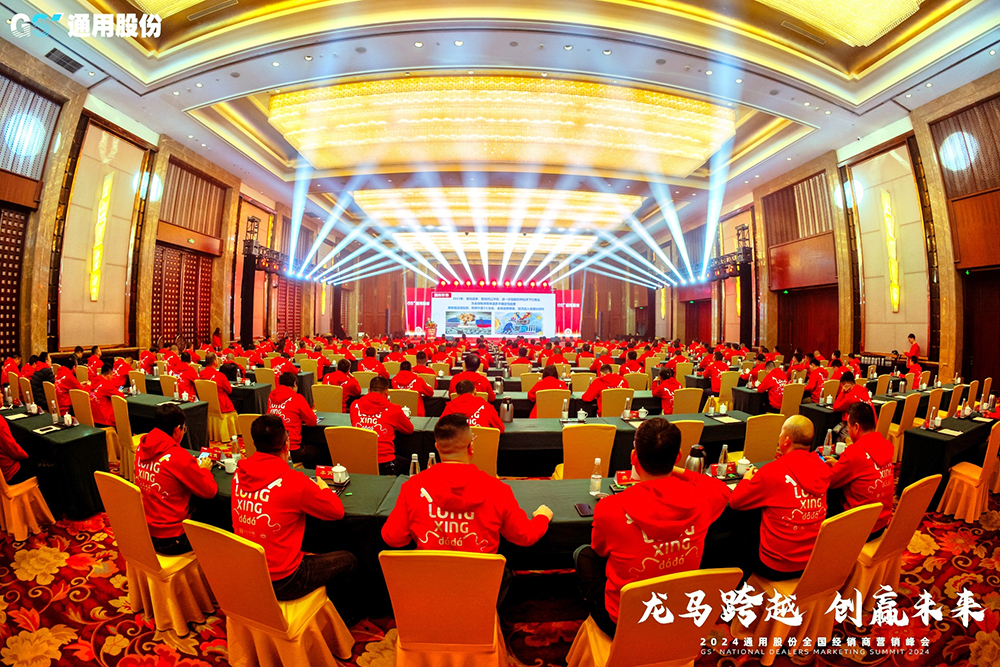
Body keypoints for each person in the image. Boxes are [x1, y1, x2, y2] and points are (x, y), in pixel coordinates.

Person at [575, 418, 730, 637]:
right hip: (680, 611)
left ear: (634, 457)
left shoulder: (610, 507)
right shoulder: (704, 498)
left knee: (584, 555)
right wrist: (673, 468)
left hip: (624, 623)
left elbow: (599, 550)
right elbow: (721, 488)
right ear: (678, 457)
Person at [381, 414, 551, 605]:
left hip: (428, 589)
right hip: (480, 589)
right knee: (504, 572)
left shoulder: (412, 487)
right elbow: (524, 536)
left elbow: (392, 538)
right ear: (471, 448)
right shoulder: (498, 490)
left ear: (437, 447)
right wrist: (542, 517)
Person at [232, 415, 357, 609]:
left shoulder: (238, 475)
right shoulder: (294, 481)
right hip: (285, 580)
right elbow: (336, 511)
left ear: (254, 443)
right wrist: (324, 488)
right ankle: (344, 617)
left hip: (250, 572)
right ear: (286, 445)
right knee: (348, 560)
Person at [730, 415, 831, 580]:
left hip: (776, 565)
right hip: (811, 560)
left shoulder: (772, 471)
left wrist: (747, 479)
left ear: (786, 440)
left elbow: (735, 502)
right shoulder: (823, 467)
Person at [134, 404, 217, 555]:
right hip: (171, 538)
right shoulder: (178, 457)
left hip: (144, 530)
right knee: (218, 527)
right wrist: (204, 469)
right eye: (184, 429)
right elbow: (209, 491)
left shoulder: (141, 447)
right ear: (177, 429)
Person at [826, 402, 895, 540]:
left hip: (860, 527)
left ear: (856, 427)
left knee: (829, 493)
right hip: (881, 522)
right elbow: (865, 469)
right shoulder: (886, 445)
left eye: (849, 426)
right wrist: (839, 465)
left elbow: (831, 481)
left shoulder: (854, 452)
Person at [350, 376, 414, 475]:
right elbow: (409, 429)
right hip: (385, 464)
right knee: (411, 465)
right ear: (386, 391)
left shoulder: (354, 405)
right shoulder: (394, 409)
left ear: (369, 390)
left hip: (359, 461)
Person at [268, 371, 320, 466]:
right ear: (295, 384)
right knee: (318, 450)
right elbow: (312, 421)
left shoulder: (271, 396)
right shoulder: (297, 398)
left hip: (272, 447)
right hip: (292, 450)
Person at [440, 380, 505, 432]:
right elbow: (500, 429)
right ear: (475, 391)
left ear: (456, 394)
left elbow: (440, 429)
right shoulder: (486, 406)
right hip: (482, 444)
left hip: (457, 444)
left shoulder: (449, 408)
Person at [90, 362, 125, 427]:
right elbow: (120, 396)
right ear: (108, 376)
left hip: (92, 419)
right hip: (104, 421)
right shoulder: (106, 384)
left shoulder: (93, 382)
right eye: (112, 375)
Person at [0, 416, 29, 485]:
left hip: (4, 470)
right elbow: (14, 451)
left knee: (27, 442)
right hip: (10, 474)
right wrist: (27, 456)